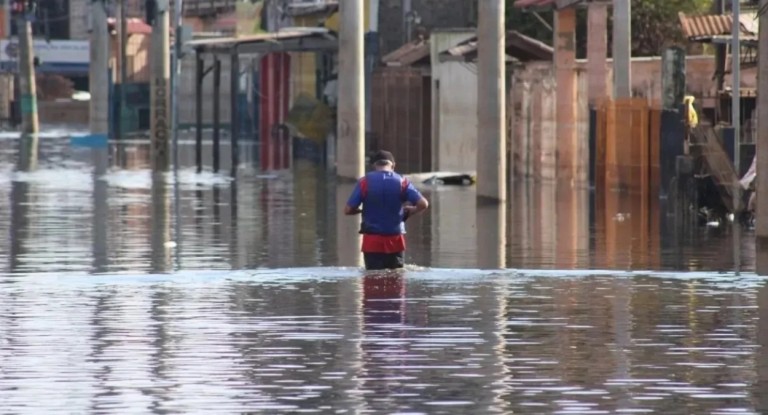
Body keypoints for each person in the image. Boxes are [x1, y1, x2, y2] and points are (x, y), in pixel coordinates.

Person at [345, 150, 429, 270]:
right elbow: (423, 204)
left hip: (371, 242)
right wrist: (412, 210)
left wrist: (360, 211)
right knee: (397, 282)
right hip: (396, 241)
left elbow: (348, 210)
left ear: (374, 166)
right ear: (393, 165)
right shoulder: (402, 182)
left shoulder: (364, 182)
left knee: (372, 282)